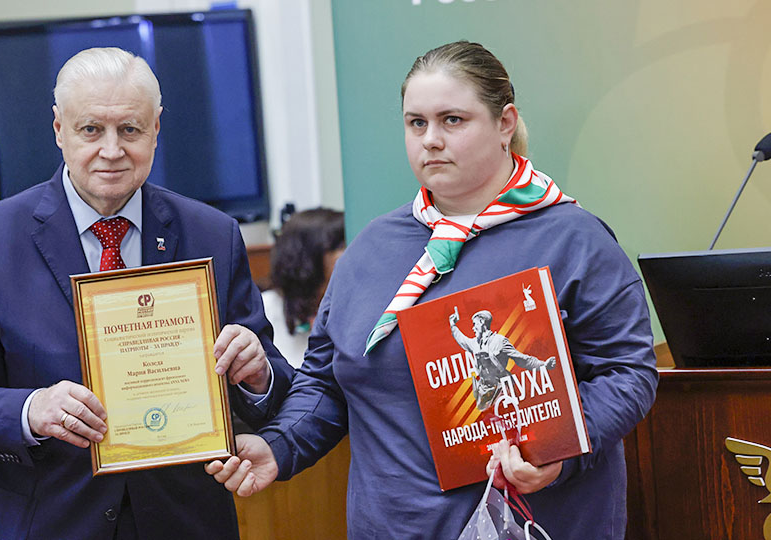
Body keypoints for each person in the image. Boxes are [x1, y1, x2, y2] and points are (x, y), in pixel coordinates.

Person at [205, 41, 658, 539]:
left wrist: (561, 453)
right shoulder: (370, 250)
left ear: (505, 124)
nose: (431, 140)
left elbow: (627, 372)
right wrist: (279, 445)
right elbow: (327, 384)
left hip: (535, 522)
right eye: (416, 123)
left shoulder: (574, 240)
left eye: (452, 120)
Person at [0, 47, 294, 540]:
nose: (112, 150)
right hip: (48, 523)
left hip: (184, 523)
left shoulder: (213, 234)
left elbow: (275, 388)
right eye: (91, 129)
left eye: (130, 129)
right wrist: (32, 409)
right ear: (59, 129)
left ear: (156, 128)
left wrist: (258, 375)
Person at [261, 208, 345, 368]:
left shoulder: (351, 305)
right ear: (308, 257)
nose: (348, 253)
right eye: (339, 246)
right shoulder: (266, 309)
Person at [448, 307, 556, 410]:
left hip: (502, 390)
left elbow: (522, 360)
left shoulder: (500, 341)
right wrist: (453, 325)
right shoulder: (475, 344)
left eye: (474, 324)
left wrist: (544, 365)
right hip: (484, 392)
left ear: (482, 322)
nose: (472, 328)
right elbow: (462, 339)